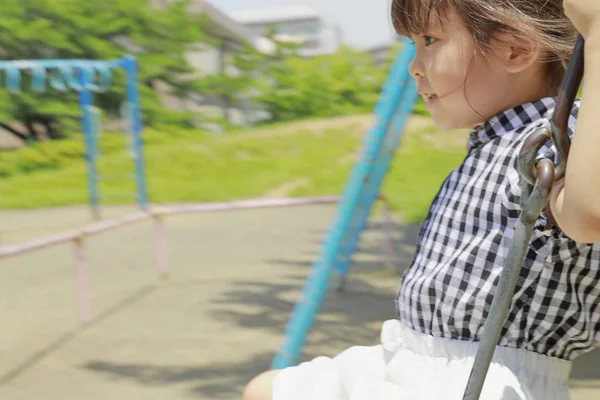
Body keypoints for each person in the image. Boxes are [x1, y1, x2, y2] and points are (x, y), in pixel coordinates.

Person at [243, 0, 600, 399]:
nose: (414, 64)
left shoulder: (561, 139)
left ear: (516, 50)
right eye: (413, 44)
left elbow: (588, 214)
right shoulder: (495, 143)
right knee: (268, 389)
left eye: (430, 40)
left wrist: (599, 34)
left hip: (484, 375)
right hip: (412, 353)